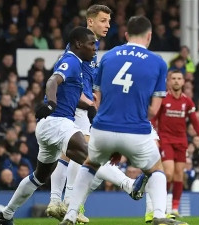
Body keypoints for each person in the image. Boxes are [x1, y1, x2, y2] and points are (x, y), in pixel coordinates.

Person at [59, 16, 188, 225]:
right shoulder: (158, 62)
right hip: (136, 128)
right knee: (156, 170)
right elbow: (154, 110)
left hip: (103, 127)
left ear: (126, 35)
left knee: (90, 164)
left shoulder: (108, 57)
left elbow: (97, 100)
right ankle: (158, 216)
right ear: (149, 36)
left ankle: (71, 214)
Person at [0, 27, 97, 225]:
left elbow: (68, 94)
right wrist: (50, 103)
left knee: (39, 177)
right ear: (79, 44)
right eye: (91, 44)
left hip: (49, 126)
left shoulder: (75, 62)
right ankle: (72, 208)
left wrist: (88, 107)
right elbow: (52, 81)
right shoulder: (71, 61)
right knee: (91, 157)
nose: (95, 49)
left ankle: (5, 215)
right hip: (57, 122)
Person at [47, 5, 138, 224]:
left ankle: (57, 201)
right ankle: (72, 201)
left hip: (79, 107)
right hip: (75, 107)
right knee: (87, 155)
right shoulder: (80, 47)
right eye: (104, 20)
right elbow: (68, 77)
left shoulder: (92, 48)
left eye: (109, 21)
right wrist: (88, 102)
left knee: (69, 155)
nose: (108, 25)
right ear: (90, 22)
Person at [145, 70, 199, 221]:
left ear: (183, 82)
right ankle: (162, 207)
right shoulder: (163, 99)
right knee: (168, 173)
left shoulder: (187, 101)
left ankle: (174, 208)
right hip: (165, 140)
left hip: (181, 141)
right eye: (173, 78)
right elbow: (154, 119)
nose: (176, 81)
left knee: (179, 174)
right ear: (168, 81)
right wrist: (152, 136)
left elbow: (195, 123)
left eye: (179, 78)